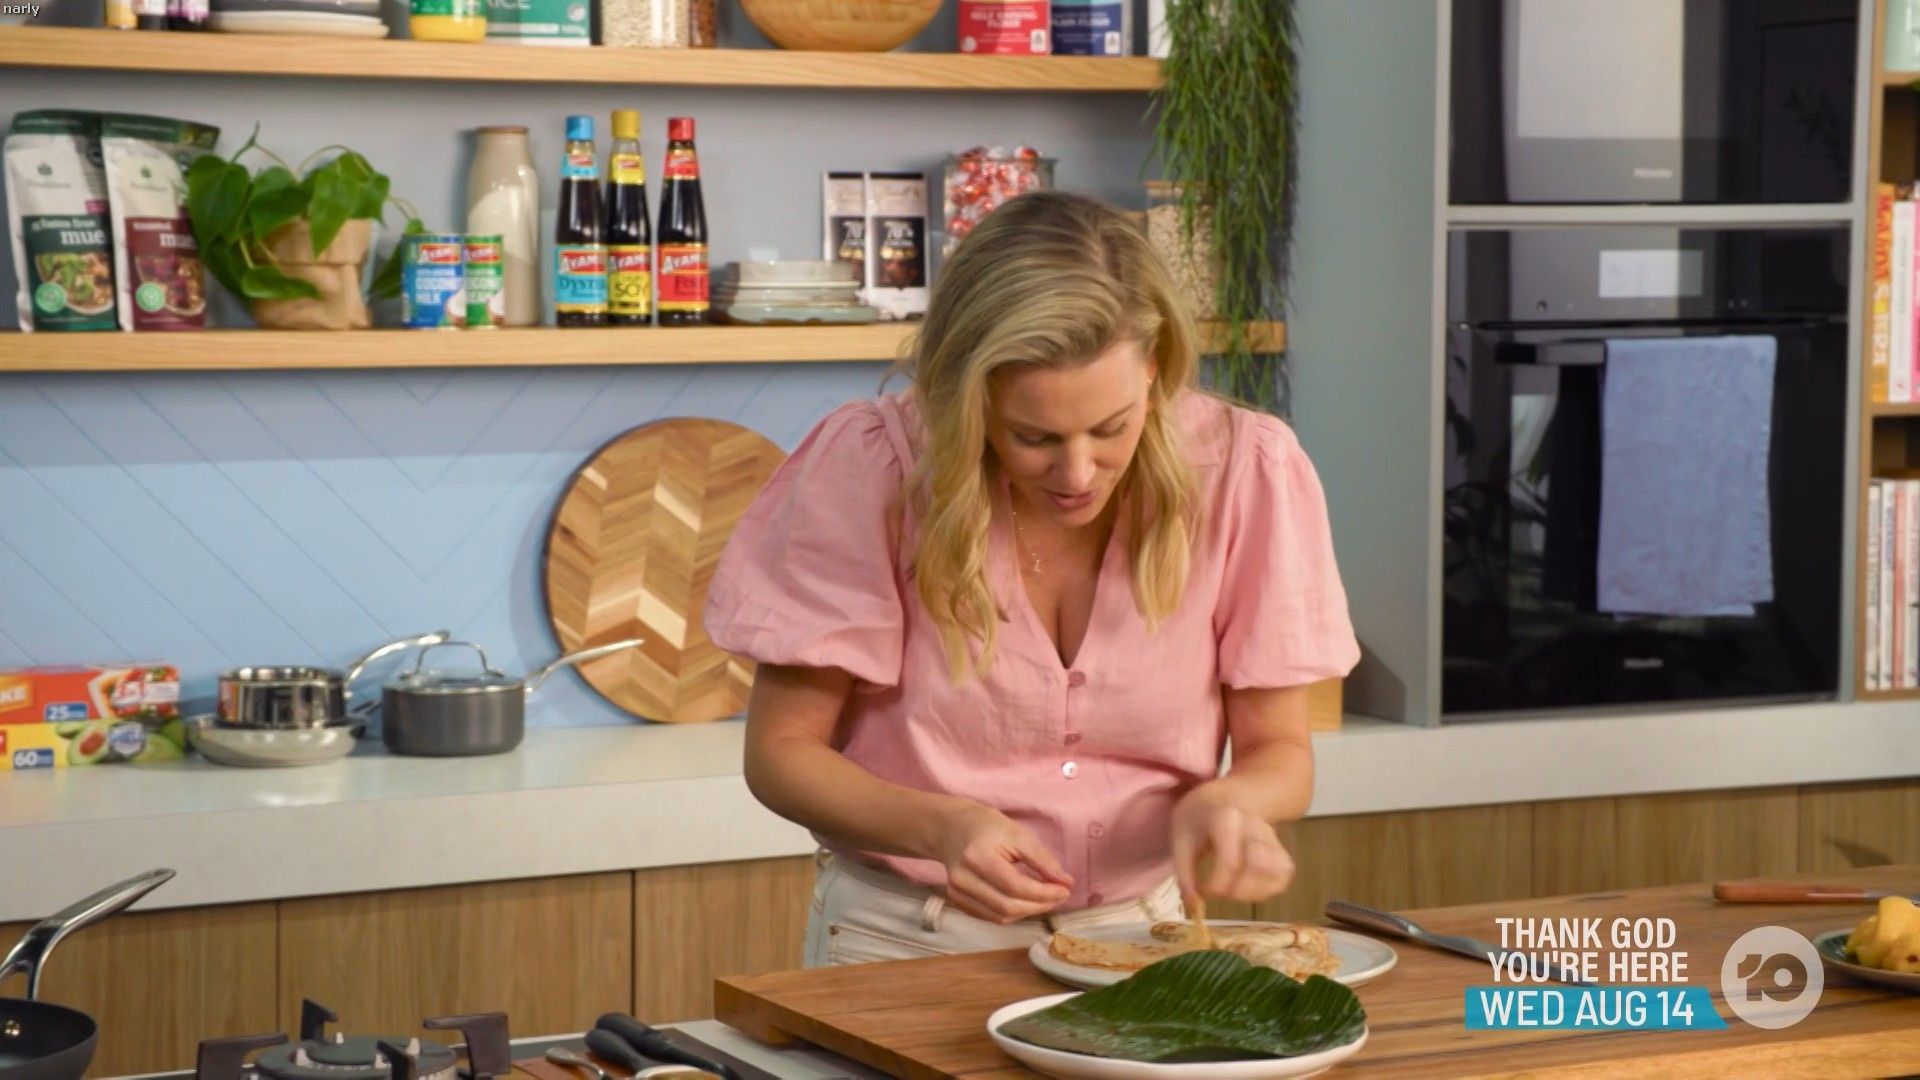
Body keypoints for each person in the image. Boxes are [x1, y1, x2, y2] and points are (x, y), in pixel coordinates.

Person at [703, 190, 1359, 967]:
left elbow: (1279, 748)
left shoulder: (1245, 471)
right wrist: (943, 829)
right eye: (1033, 436)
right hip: (907, 939)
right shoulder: (873, 467)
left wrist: (1232, 801)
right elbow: (781, 753)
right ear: (967, 397)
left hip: (1143, 936)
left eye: (1111, 428)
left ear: (1154, 370)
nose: (1078, 473)